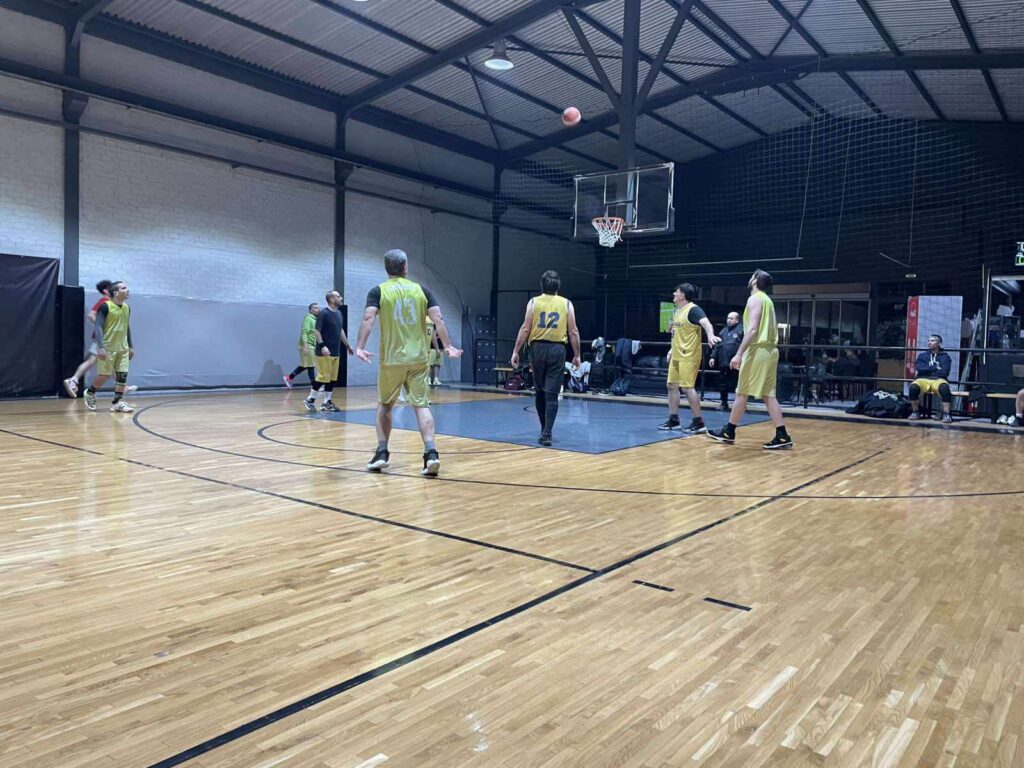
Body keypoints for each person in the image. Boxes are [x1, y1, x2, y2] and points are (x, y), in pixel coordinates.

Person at [354, 249, 462, 475]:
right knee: (422, 406)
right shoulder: (422, 290)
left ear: (387, 268)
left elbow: (368, 318)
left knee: (385, 405)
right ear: (405, 267)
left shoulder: (378, 291)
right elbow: (438, 319)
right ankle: (431, 454)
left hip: (392, 359)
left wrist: (360, 347)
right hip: (418, 359)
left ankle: (382, 453)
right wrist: (447, 346)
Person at [707, 269, 793, 449]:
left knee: (742, 391)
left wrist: (739, 353)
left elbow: (753, 329)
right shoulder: (767, 300)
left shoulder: (755, 299)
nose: (750, 278)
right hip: (770, 350)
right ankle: (782, 435)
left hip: (759, 349)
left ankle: (729, 431)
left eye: (752, 276)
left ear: (755, 281)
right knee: (768, 395)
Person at [510, 270, 581, 447]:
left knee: (540, 391)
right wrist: (577, 355)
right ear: (558, 286)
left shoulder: (534, 302)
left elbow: (525, 329)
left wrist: (516, 351)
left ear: (542, 285)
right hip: (557, 349)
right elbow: (573, 331)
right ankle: (547, 432)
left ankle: (544, 428)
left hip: (537, 349)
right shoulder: (566, 304)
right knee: (552, 393)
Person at [658, 283, 720, 433]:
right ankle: (674, 420)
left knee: (687, 388)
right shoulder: (677, 311)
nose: (674, 294)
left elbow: (706, 323)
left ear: (683, 295)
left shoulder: (693, 309)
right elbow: (677, 333)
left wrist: (710, 335)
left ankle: (699, 422)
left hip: (689, 355)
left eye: (676, 292)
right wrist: (671, 349)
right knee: (671, 385)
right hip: (676, 354)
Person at [83, 281, 135, 413]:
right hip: (107, 348)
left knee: (122, 376)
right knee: (104, 375)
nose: (127, 290)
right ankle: (90, 392)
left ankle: (117, 403)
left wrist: (130, 346)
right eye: (124, 288)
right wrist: (100, 347)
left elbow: (126, 327)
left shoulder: (127, 308)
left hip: (123, 348)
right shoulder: (105, 306)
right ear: (116, 293)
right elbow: (98, 327)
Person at [304, 291, 352, 413]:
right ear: (331, 299)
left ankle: (326, 402)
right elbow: (317, 331)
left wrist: (347, 345)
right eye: (338, 296)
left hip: (336, 351)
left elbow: (340, 330)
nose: (341, 298)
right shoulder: (323, 314)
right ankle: (310, 399)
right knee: (323, 377)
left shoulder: (339, 314)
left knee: (332, 378)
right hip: (324, 351)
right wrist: (322, 346)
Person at [64, 279, 112, 398]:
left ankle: (122, 386)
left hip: (107, 337)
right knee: (94, 361)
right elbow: (91, 315)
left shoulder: (110, 303)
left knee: (107, 363)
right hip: (103, 337)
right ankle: (73, 380)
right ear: (105, 290)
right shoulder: (104, 301)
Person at [907, 334, 954, 424]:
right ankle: (915, 412)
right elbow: (919, 368)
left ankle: (947, 414)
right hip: (923, 379)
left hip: (938, 379)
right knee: (913, 387)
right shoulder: (922, 356)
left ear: (939, 344)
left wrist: (927, 369)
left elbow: (945, 372)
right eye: (928, 340)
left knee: (944, 388)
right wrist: (935, 368)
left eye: (932, 340)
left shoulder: (945, 357)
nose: (929, 342)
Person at [708, 311, 742, 411]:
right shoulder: (723, 331)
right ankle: (724, 403)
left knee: (738, 385)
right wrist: (713, 357)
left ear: (737, 320)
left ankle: (740, 405)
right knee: (722, 384)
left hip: (737, 363)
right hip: (724, 361)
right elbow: (717, 345)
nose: (729, 320)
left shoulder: (742, 330)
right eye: (728, 318)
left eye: (731, 318)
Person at [284, 303, 319, 389]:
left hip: (311, 345)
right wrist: (305, 345)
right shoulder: (308, 319)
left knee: (305, 365)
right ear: (310, 310)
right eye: (315, 308)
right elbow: (304, 332)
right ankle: (314, 385)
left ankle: (289, 378)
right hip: (307, 345)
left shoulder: (314, 320)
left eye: (318, 308)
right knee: (311, 365)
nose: (317, 309)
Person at [426, 315, 443, 386]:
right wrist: (436, 348)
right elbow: (433, 337)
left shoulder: (441, 326)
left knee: (437, 363)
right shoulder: (430, 323)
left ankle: (436, 379)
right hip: (431, 347)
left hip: (440, 347)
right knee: (430, 364)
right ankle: (428, 378)